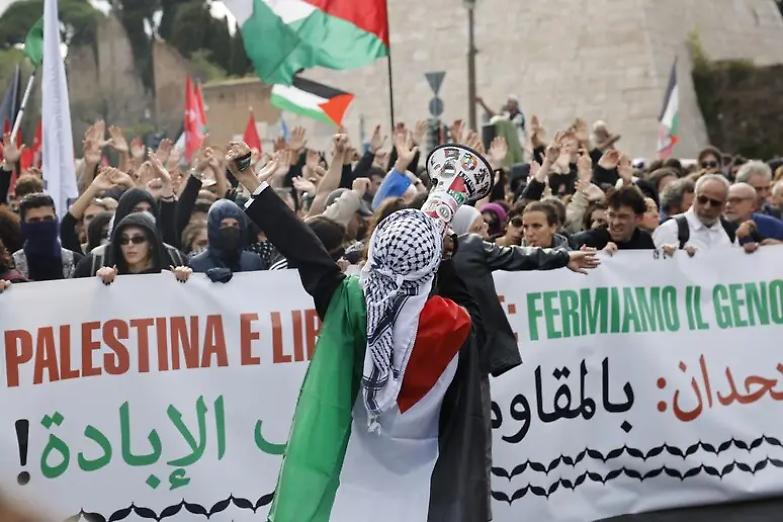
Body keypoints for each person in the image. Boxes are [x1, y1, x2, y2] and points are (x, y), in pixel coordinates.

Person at [230, 139, 498, 521]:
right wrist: (444, 258)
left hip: (349, 465)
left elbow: (304, 248)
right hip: (424, 477)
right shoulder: (458, 323)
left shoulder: (347, 301)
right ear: (432, 264)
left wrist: (251, 181)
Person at [94, 212, 191, 284]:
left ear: (151, 243)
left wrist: (186, 277)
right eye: (123, 240)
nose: (130, 245)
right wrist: (99, 280)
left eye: (138, 239)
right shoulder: (98, 263)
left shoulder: (175, 260)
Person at [653, 174, 736, 255]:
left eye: (715, 203)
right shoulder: (671, 229)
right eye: (702, 199)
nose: (707, 207)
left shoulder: (730, 232)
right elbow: (654, 264)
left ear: (724, 204)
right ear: (694, 197)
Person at [12, 193, 84, 281]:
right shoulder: (12, 266)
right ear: (23, 225)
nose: (43, 225)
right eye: (34, 220)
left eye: (48, 219)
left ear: (56, 220)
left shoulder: (77, 262)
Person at [189, 199, 266, 278]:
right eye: (224, 225)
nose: (230, 230)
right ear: (214, 228)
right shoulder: (197, 263)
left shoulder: (253, 262)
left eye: (235, 225)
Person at [571, 186, 655, 251]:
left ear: (638, 218)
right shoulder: (588, 241)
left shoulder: (645, 241)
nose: (615, 222)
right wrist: (600, 257)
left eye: (623, 217)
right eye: (611, 215)